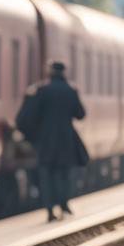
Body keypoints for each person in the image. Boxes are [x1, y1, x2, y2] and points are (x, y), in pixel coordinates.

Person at [18, 61, 88, 222]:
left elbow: (27, 117)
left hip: (46, 140)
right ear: (64, 72)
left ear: (50, 72)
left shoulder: (41, 91)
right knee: (64, 173)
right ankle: (64, 204)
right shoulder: (71, 91)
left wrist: (32, 135)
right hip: (66, 139)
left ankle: (49, 209)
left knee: (46, 174)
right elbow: (80, 114)